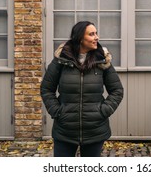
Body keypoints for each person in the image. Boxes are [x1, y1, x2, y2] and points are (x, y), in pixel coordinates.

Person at [40, 21, 124, 157]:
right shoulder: (61, 59)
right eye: (92, 34)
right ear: (80, 38)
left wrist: (103, 111)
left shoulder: (102, 60)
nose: (97, 37)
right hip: (65, 130)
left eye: (96, 33)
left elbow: (117, 90)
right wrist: (57, 112)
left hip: (95, 130)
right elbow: (46, 89)